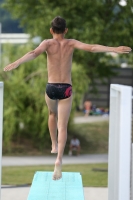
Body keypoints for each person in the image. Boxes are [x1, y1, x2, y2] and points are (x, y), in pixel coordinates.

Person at [3, 16, 132, 180]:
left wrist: (17, 62)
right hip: (66, 88)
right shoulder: (71, 43)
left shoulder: (47, 43)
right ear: (66, 30)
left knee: (51, 114)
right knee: (62, 126)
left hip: (51, 87)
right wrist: (113, 49)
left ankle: (53, 144)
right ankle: (59, 160)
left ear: (51, 30)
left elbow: (34, 53)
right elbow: (92, 48)